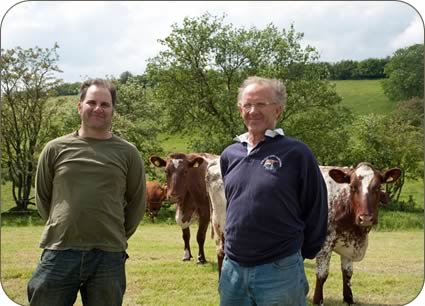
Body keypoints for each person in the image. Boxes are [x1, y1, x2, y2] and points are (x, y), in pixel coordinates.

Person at [27, 79, 146, 306]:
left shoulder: (128, 153)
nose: (98, 108)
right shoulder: (55, 148)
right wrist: (62, 226)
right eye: (91, 102)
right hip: (60, 252)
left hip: (108, 256)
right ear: (79, 106)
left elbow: (137, 202)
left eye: (105, 104)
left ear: (113, 110)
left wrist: (115, 235)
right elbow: (43, 197)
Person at [219, 76, 328, 306]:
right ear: (240, 109)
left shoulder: (297, 153)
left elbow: (316, 208)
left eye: (261, 104)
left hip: (279, 270)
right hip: (233, 269)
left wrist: (298, 255)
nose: (252, 111)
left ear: (278, 110)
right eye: (247, 105)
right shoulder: (230, 155)